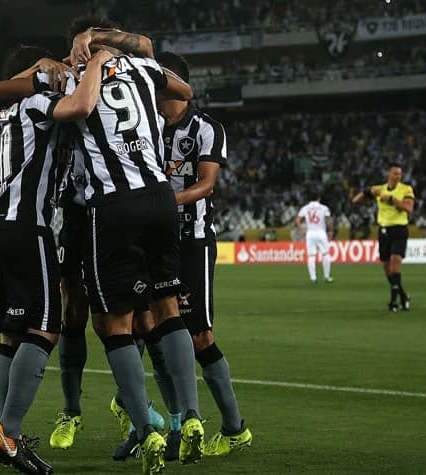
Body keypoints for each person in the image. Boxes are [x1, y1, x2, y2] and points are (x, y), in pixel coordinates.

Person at [0, 44, 108, 474]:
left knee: (8, 335)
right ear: (31, 76)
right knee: (47, 327)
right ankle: (9, 433)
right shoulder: (34, 103)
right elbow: (79, 107)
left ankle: (2, 427)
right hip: (24, 230)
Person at [47, 14, 164, 453]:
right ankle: (72, 411)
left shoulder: (129, 73)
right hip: (75, 210)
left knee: (136, 313)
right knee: (73, 312)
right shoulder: (67, 77)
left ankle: (141, 414)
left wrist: (98, 45)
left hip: (114, 205)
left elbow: (148, 48)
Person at [151, 50, 253, 459]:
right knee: (155, 331)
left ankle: (233, 428)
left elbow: (207, 184)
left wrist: (165, 201)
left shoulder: (207, 128)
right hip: (157, 240)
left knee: (198, 335)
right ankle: (174, 423)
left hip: (192, 239)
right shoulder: (149, 127)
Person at [351, 164, 415, 312]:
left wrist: (393, 199)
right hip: (384, 231)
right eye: (395, 174)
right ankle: (404, 296)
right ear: (389, 174)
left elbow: (409, 208)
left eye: (400, 174)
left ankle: (393, 302)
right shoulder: (380, 189)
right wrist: (359, 198)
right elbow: (363, 194)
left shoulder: (406, 189)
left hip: (399, 229)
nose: (398, 176)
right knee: (387, 268)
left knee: (395, 263)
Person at [296, 191, 334, 284]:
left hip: (310, 233)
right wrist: (330, 231)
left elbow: (297, 220)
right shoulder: (324, 208)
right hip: (321, 232)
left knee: (311, 256)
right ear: (319, 198)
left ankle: (313, 278)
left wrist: (302, 230)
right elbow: (329, 220)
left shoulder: (305, 208)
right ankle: (326, 276)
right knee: (325, 254)